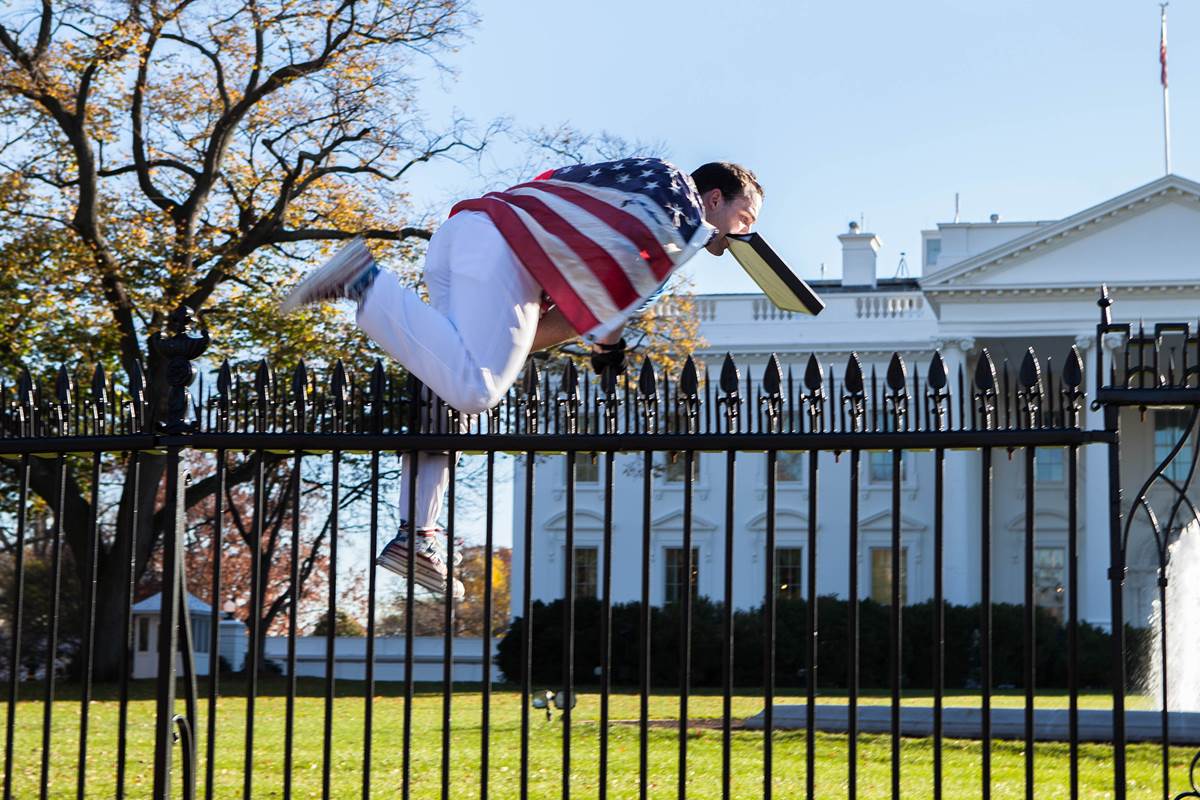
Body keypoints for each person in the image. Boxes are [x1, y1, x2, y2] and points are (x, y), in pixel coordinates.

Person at [280, 159, 762, 598]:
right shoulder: (678, 211)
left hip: (465, 232)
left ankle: (418, 533)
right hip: (503, 250)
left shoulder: (635, 187)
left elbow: (564, 316)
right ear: (716, 199)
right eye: (747, 218)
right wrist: (609, 346)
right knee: (476, 390)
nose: (747, 233)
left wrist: (528, 344)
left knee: (451, 384)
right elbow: (607, 301)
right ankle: (365, 279)